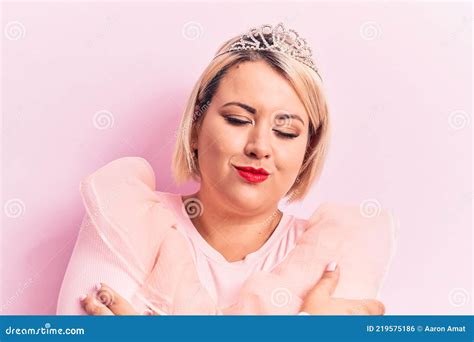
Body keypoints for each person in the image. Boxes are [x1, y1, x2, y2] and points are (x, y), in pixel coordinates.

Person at [56, 23, 394, 316]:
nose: (259, 146)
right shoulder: (126, 218)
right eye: (237, 120)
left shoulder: (338, 251)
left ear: (307, 150)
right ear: (194, 130)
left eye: (285, 131)